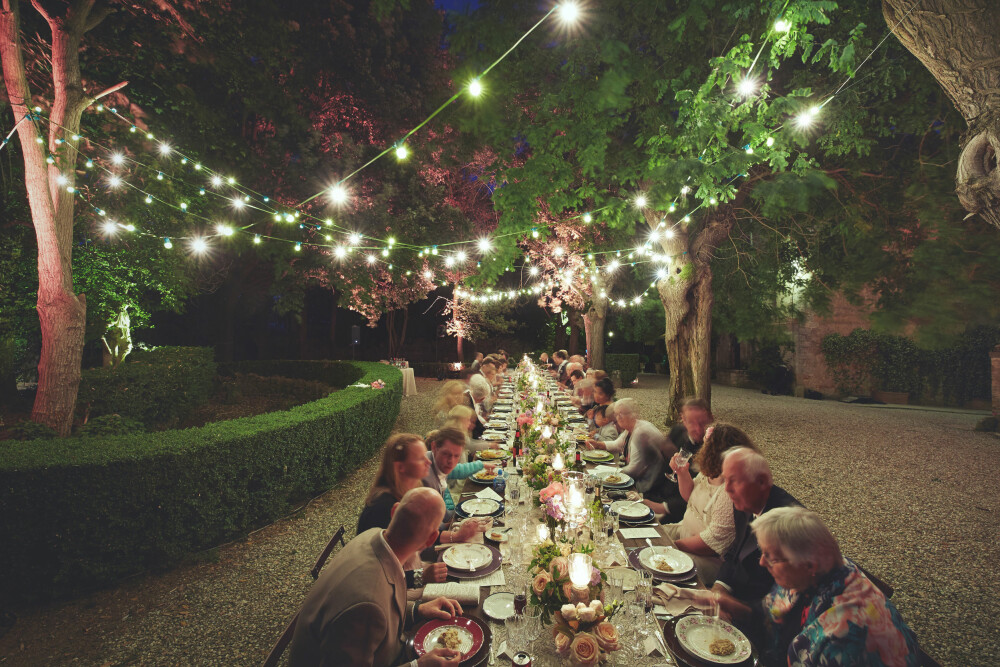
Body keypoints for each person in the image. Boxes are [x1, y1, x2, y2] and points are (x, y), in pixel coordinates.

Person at [288, 487, 464, 667]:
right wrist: (419, 666)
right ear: (431, 539)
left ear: (395, 510)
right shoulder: (366, 607)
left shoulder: (372, 535)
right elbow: (371, 606)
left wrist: (417, 610)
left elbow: (387, 593)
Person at [755, 507, 919, 666]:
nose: (762, 562)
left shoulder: (845, 637)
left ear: (810, 565)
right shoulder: (819, 570)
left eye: (771, 558)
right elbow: (770, 614)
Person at [651, 424, 758, 586]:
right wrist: (682, 473)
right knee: (647, 536)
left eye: (706, 445)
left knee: (655, 565)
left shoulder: (730, 488)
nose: (702, 449)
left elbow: (712, 543)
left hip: (706, 558)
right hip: (683, 531)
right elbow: (690, 496)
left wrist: (671, 545)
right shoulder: (710, 471)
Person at [712, 448, 801, 620]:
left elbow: (786, 604)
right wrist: (720, 586)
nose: (727, 489)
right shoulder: (744, 502)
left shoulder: (788, 524)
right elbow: (735, 552)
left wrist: (735, 608)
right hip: (737, 599)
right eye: (725, 480)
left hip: (762, 618)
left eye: (734, 481)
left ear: (761, 482)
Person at [357, 434, 449, 588]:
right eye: (420, 458)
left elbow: (421, 534)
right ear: (400, 467)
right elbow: (380, 577)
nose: (428, 461)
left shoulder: (412, 488)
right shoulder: (383, 508)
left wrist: (452, 536)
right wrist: (421, 576)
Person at [644, 397, 716, 519]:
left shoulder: (713, 448)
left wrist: (664, 507)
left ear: (709, 419)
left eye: (702, 423)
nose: (698, 429)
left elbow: (701, 493)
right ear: (683, 419)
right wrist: (646, 495)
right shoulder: (677, 432)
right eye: (692, 423)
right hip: (658, 496)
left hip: (682, 512)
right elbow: (662, 469)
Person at [590, 398, 672, 493]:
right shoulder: (631, 428)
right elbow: (616, 444)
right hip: (644, 479)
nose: (618, 417)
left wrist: (609, 473)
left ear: (633, 414)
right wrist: (598, 444)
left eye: (622, 414)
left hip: (650, 484)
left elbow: (634, 468)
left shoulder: (640, 432)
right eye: (616, 414)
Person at [421, 427, 496, 525]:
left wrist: (481, 465)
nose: (451, 462)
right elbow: (429, 526)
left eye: (457, 456)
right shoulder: (426, 478)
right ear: (434, 447)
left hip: (448, 512)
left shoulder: (436, 460)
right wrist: (453, 530)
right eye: (446, 454)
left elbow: (458, 469)